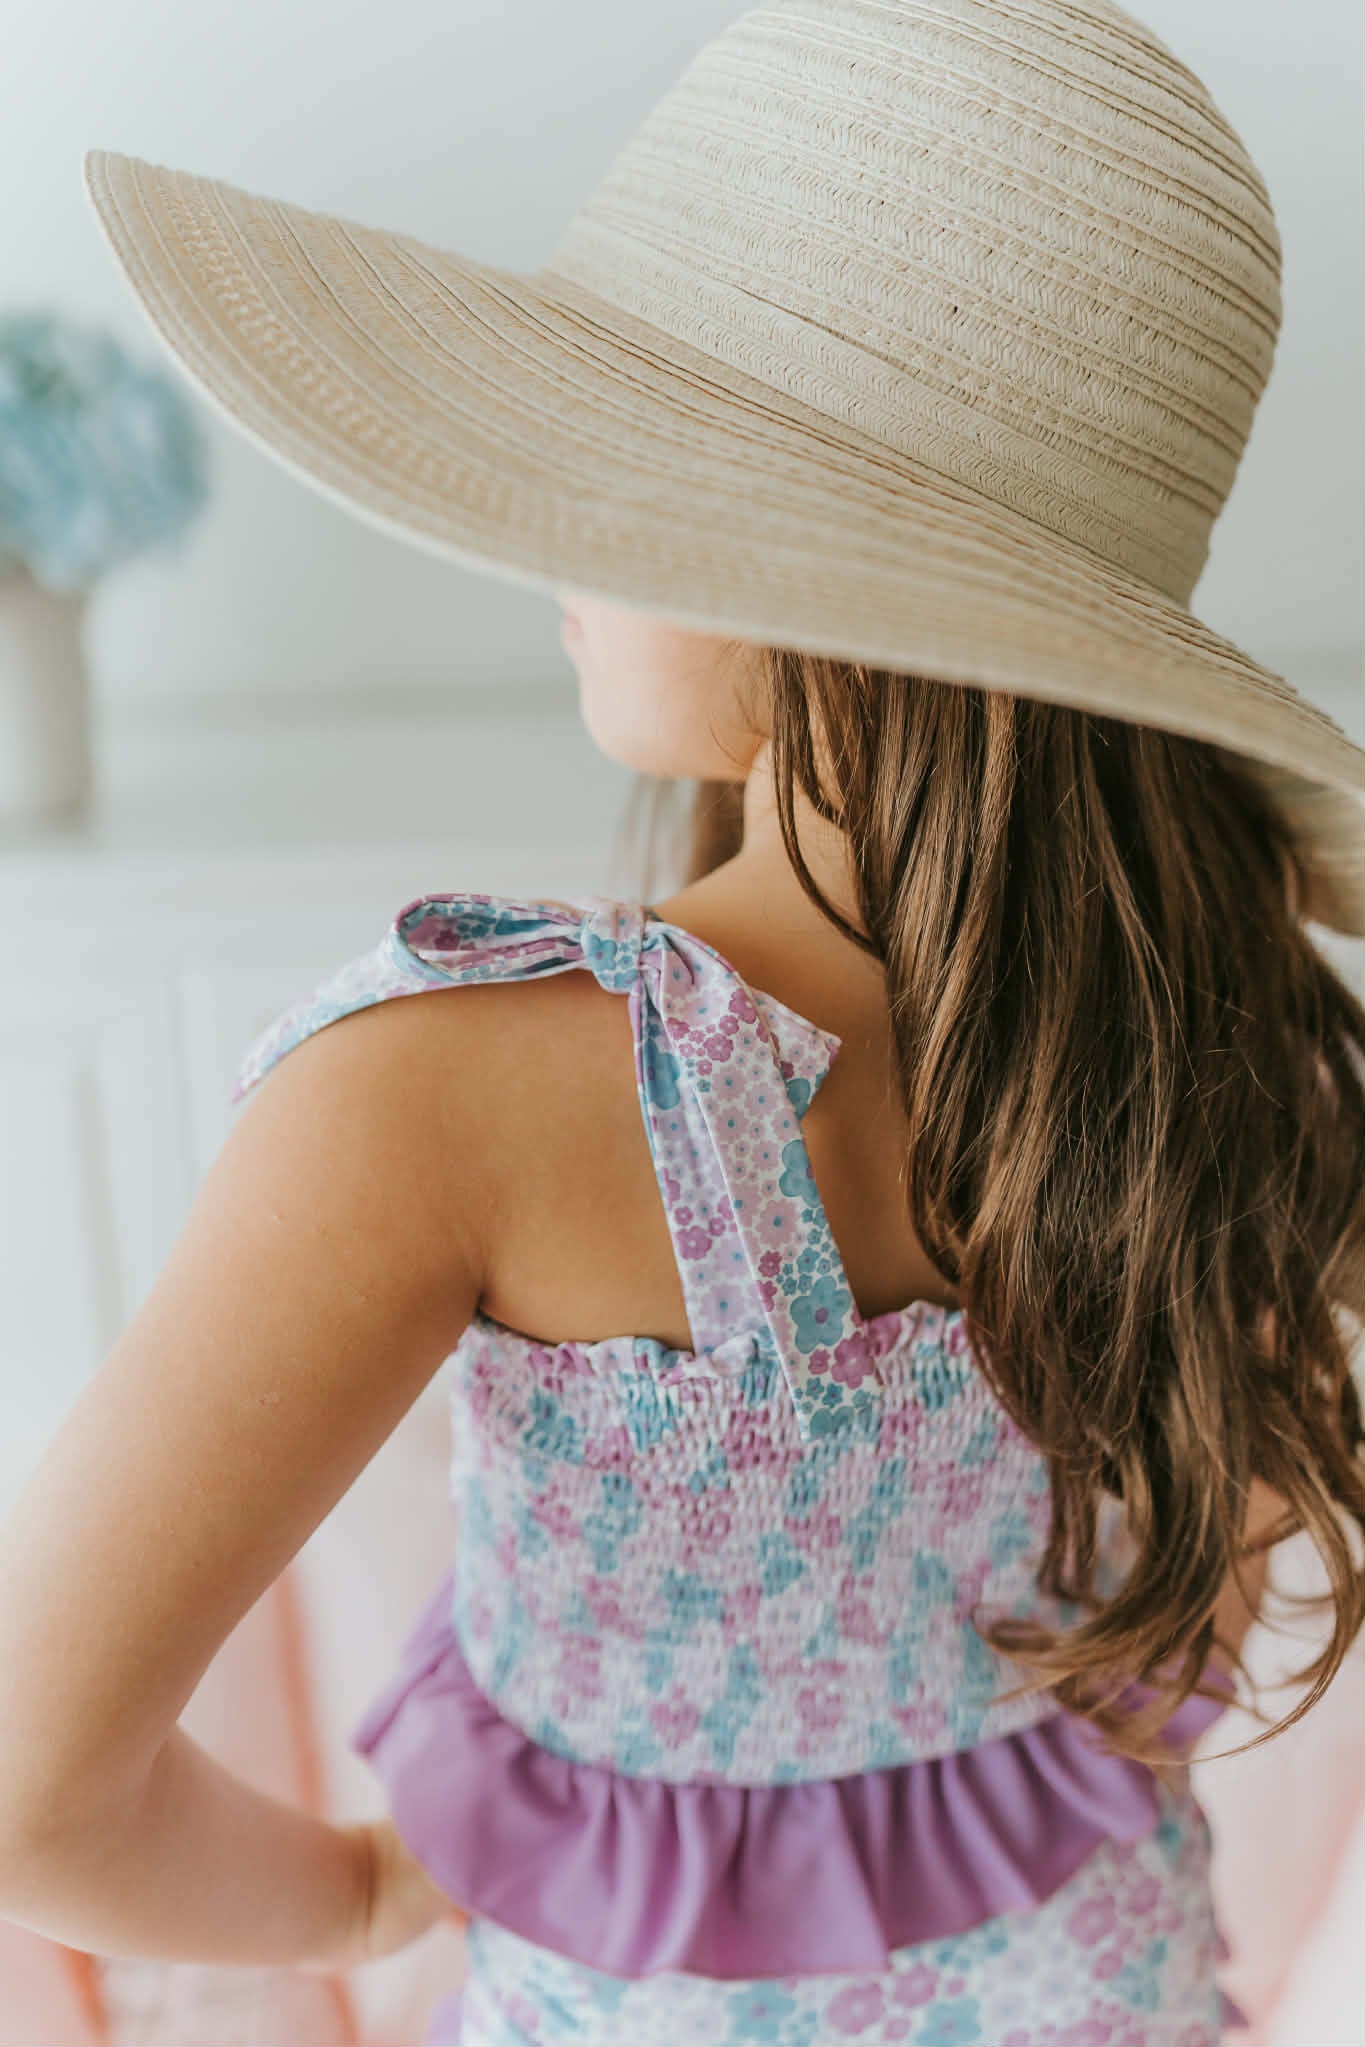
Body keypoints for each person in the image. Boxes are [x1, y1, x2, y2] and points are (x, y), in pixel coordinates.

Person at [2, 2, 1362, 2043]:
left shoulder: (431, 1098)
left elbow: (31, 1785)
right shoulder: (1228, 1045)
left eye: (611, 462)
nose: (545, 540)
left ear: (806, 584)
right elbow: (1233, 1542)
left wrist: (371, 1888)